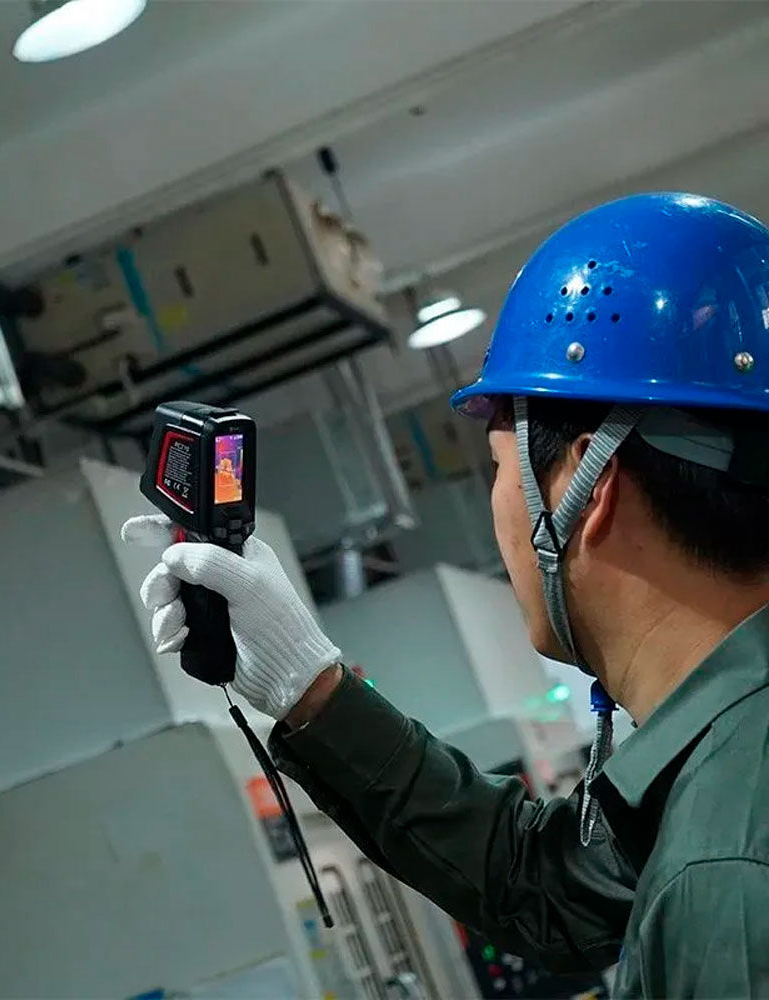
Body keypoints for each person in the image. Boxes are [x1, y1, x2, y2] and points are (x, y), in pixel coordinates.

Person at [124, 192, 769, 998]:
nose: (497, 505)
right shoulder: (720, 774)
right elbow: (552, 886)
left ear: (589, 484)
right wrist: (310, 688)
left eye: (497, 469)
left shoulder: (728, 873)